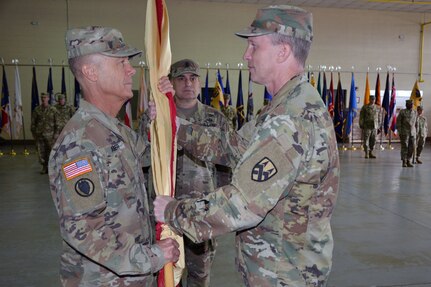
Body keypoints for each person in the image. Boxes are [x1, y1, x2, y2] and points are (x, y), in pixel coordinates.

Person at [154, 5, 340, 286]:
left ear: (282, 52)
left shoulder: (291, 119)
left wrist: (174, 211)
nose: (246, 55)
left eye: (254, 46)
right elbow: (233, 145)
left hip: (284, 274)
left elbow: (241, 204)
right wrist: (177, 128)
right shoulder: (284, 106)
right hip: (279, 267)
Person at [48, 26, 179, 286]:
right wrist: (152, 256)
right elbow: (83, 229)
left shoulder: (114, 129)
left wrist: (164, 110)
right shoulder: (79, 144)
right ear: (90, 72)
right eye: (121, 63)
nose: (131, 70)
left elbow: (150, 156)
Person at [139, 59, 232, 287]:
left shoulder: (215, 119)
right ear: (171, 83)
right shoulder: (154, 116)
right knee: (167, 276)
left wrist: (219, 210)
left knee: (199, 276)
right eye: (181, 78)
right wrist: (151, 123)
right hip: (163, 214)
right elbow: (141, 159)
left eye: (193, 78)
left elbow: (226, 169)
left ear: (200, 83)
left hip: (199, 214)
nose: (187, 83)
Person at [31, 92, 58, 174]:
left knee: (51, 152)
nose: (43, 99)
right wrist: (34, 133)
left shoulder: (53, 110)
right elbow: (33, 123)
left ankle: (51, 167)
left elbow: (57, 122)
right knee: (41, 152)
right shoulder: (37, 110)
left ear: (48, 98)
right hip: (40, 135)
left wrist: (56, 133)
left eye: (45, 97)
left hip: (50, 135)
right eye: (42, 97)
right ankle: (44, 167)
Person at [397, 99, 418, 167]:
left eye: (412, 104)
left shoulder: (415, 112)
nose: (411, 105)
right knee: (404, 147)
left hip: (412, 133)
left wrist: (416, 132)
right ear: (407, 105)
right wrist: (400, 131)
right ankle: (404, 161)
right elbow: (398, 122)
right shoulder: (402, 112)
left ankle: (409, 160)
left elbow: (416, 123)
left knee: (411, 147)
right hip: (404, 132)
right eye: (410, 104)